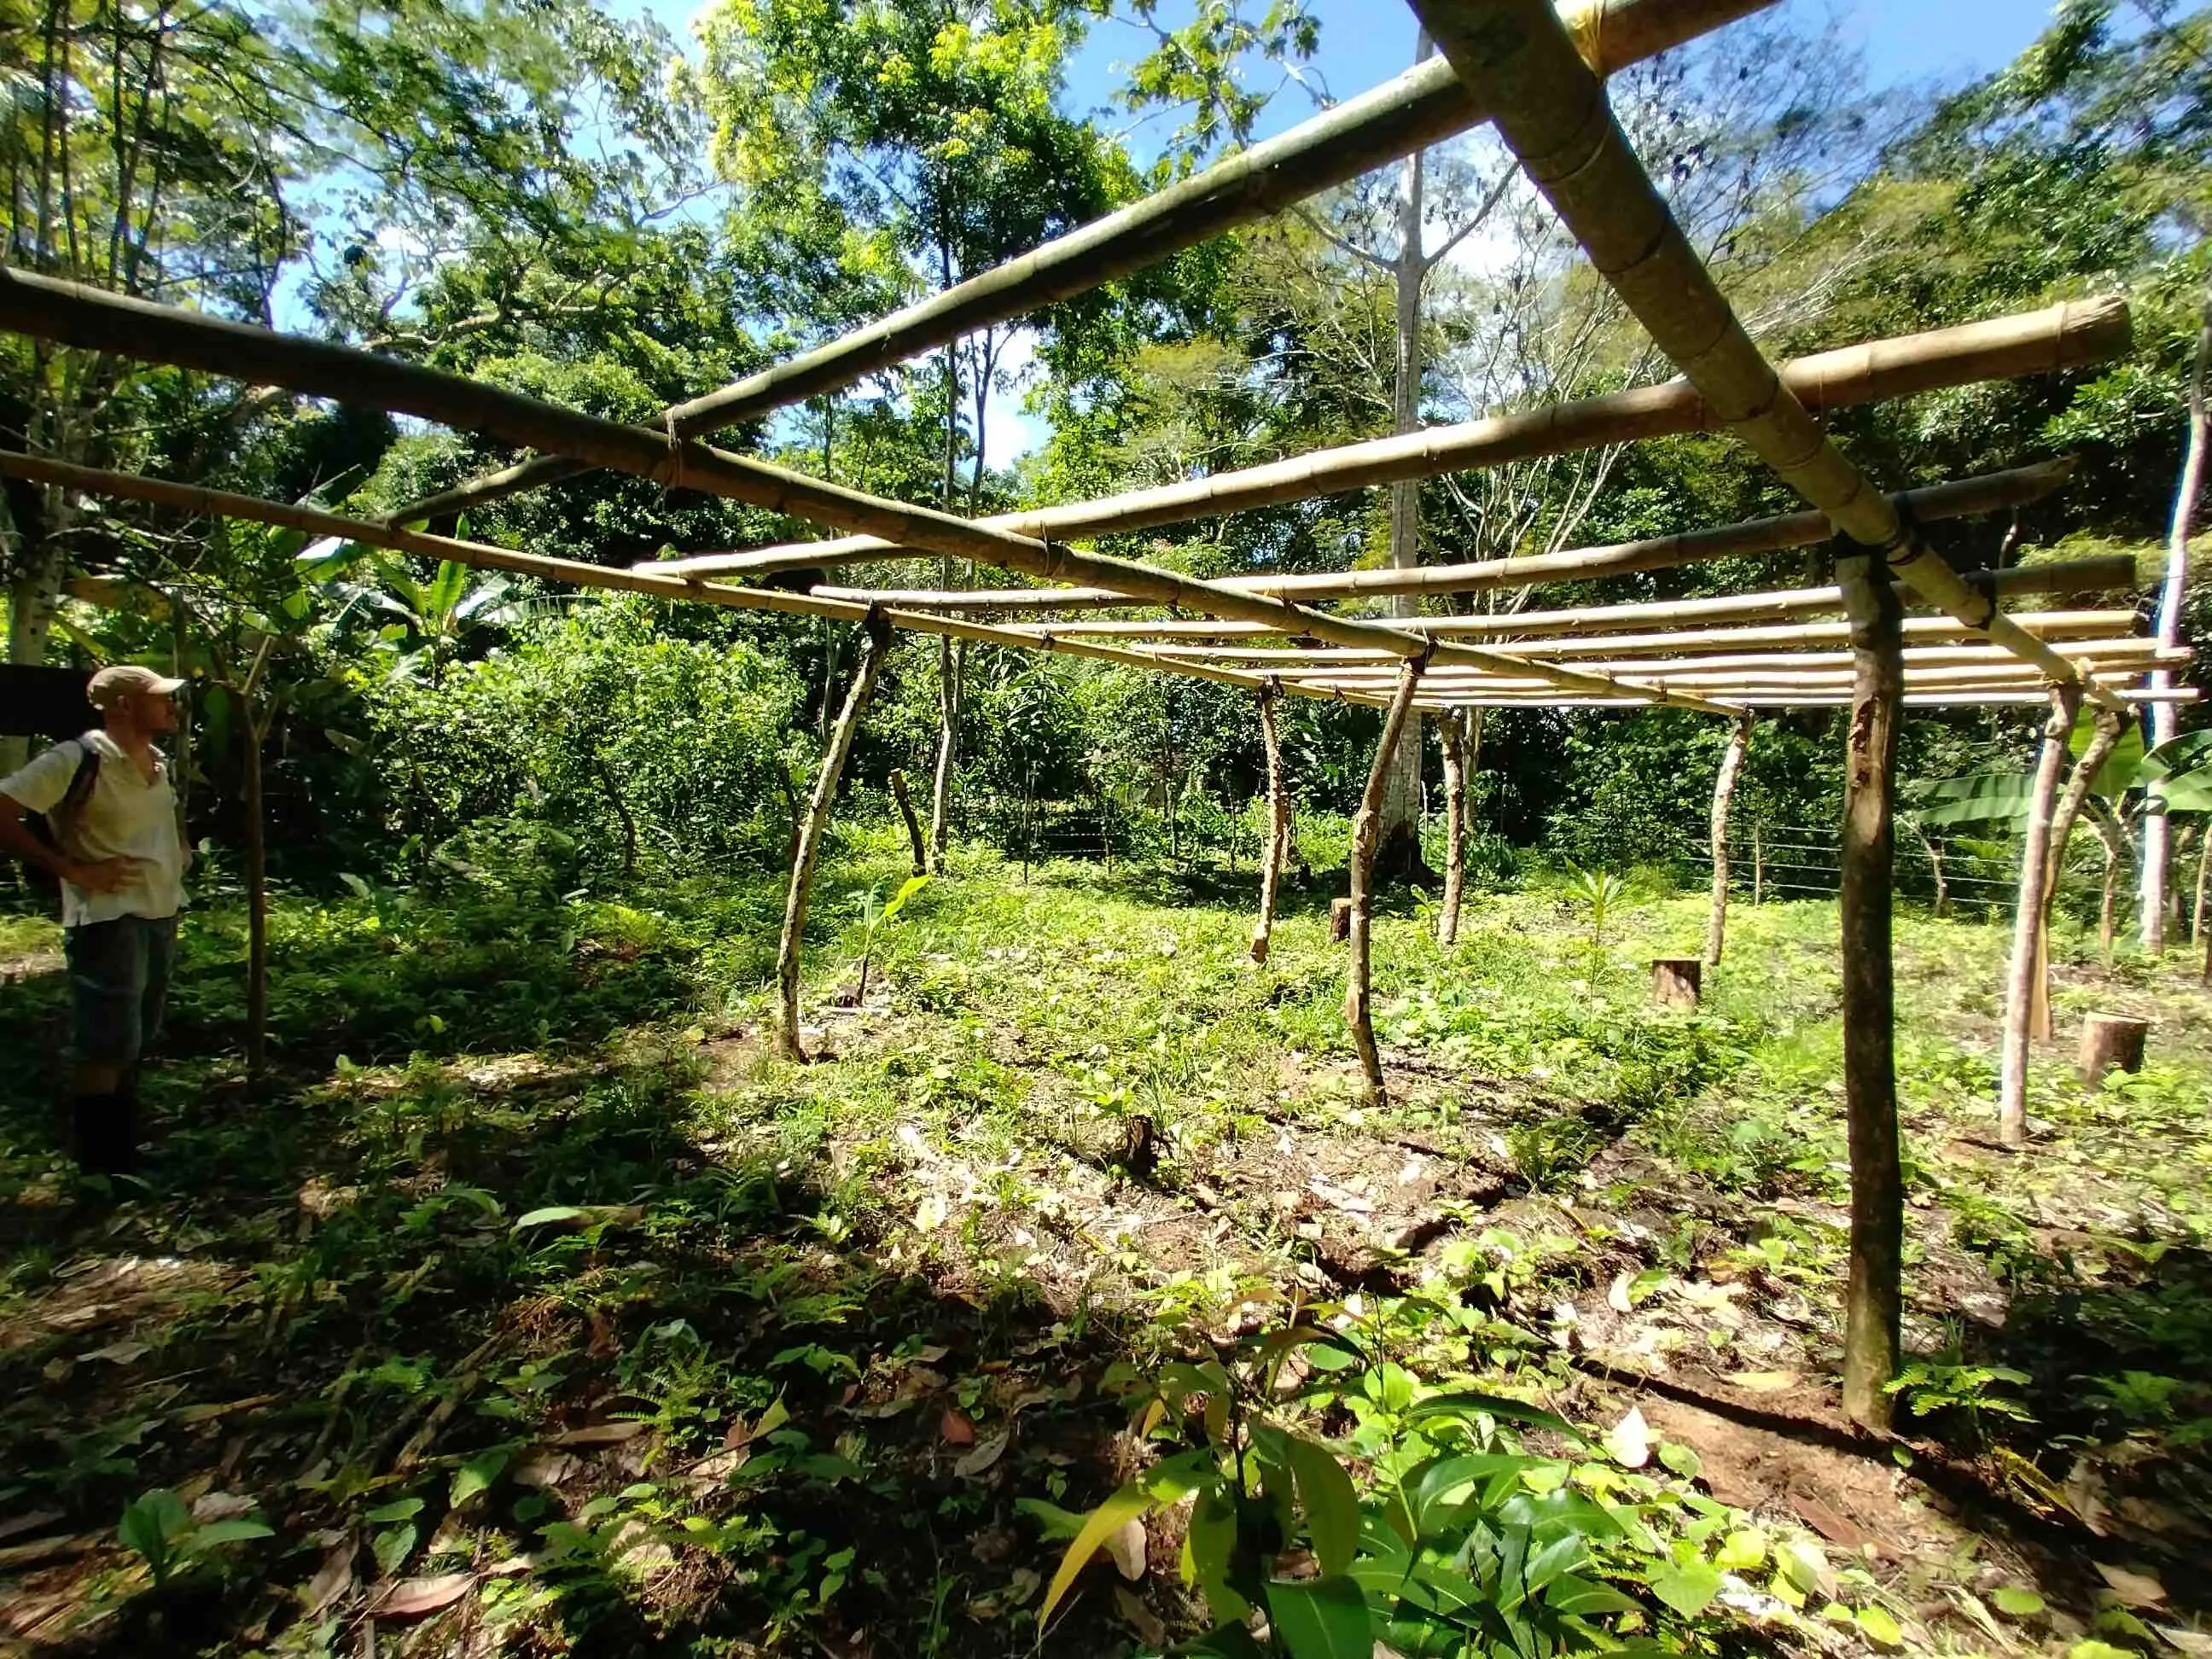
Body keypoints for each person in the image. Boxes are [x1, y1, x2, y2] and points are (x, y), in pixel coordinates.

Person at [0, 664, 189, 1176]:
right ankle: (100, 1163)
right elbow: (4, 808)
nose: (171, 707)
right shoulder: (78, 758)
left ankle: (125, 1145)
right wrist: (71, 870)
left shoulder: (157, 761)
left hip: (158, 908)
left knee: (137, 1034)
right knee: (106, 1042)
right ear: (124, 705)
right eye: (159, 698)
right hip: (109, 916)